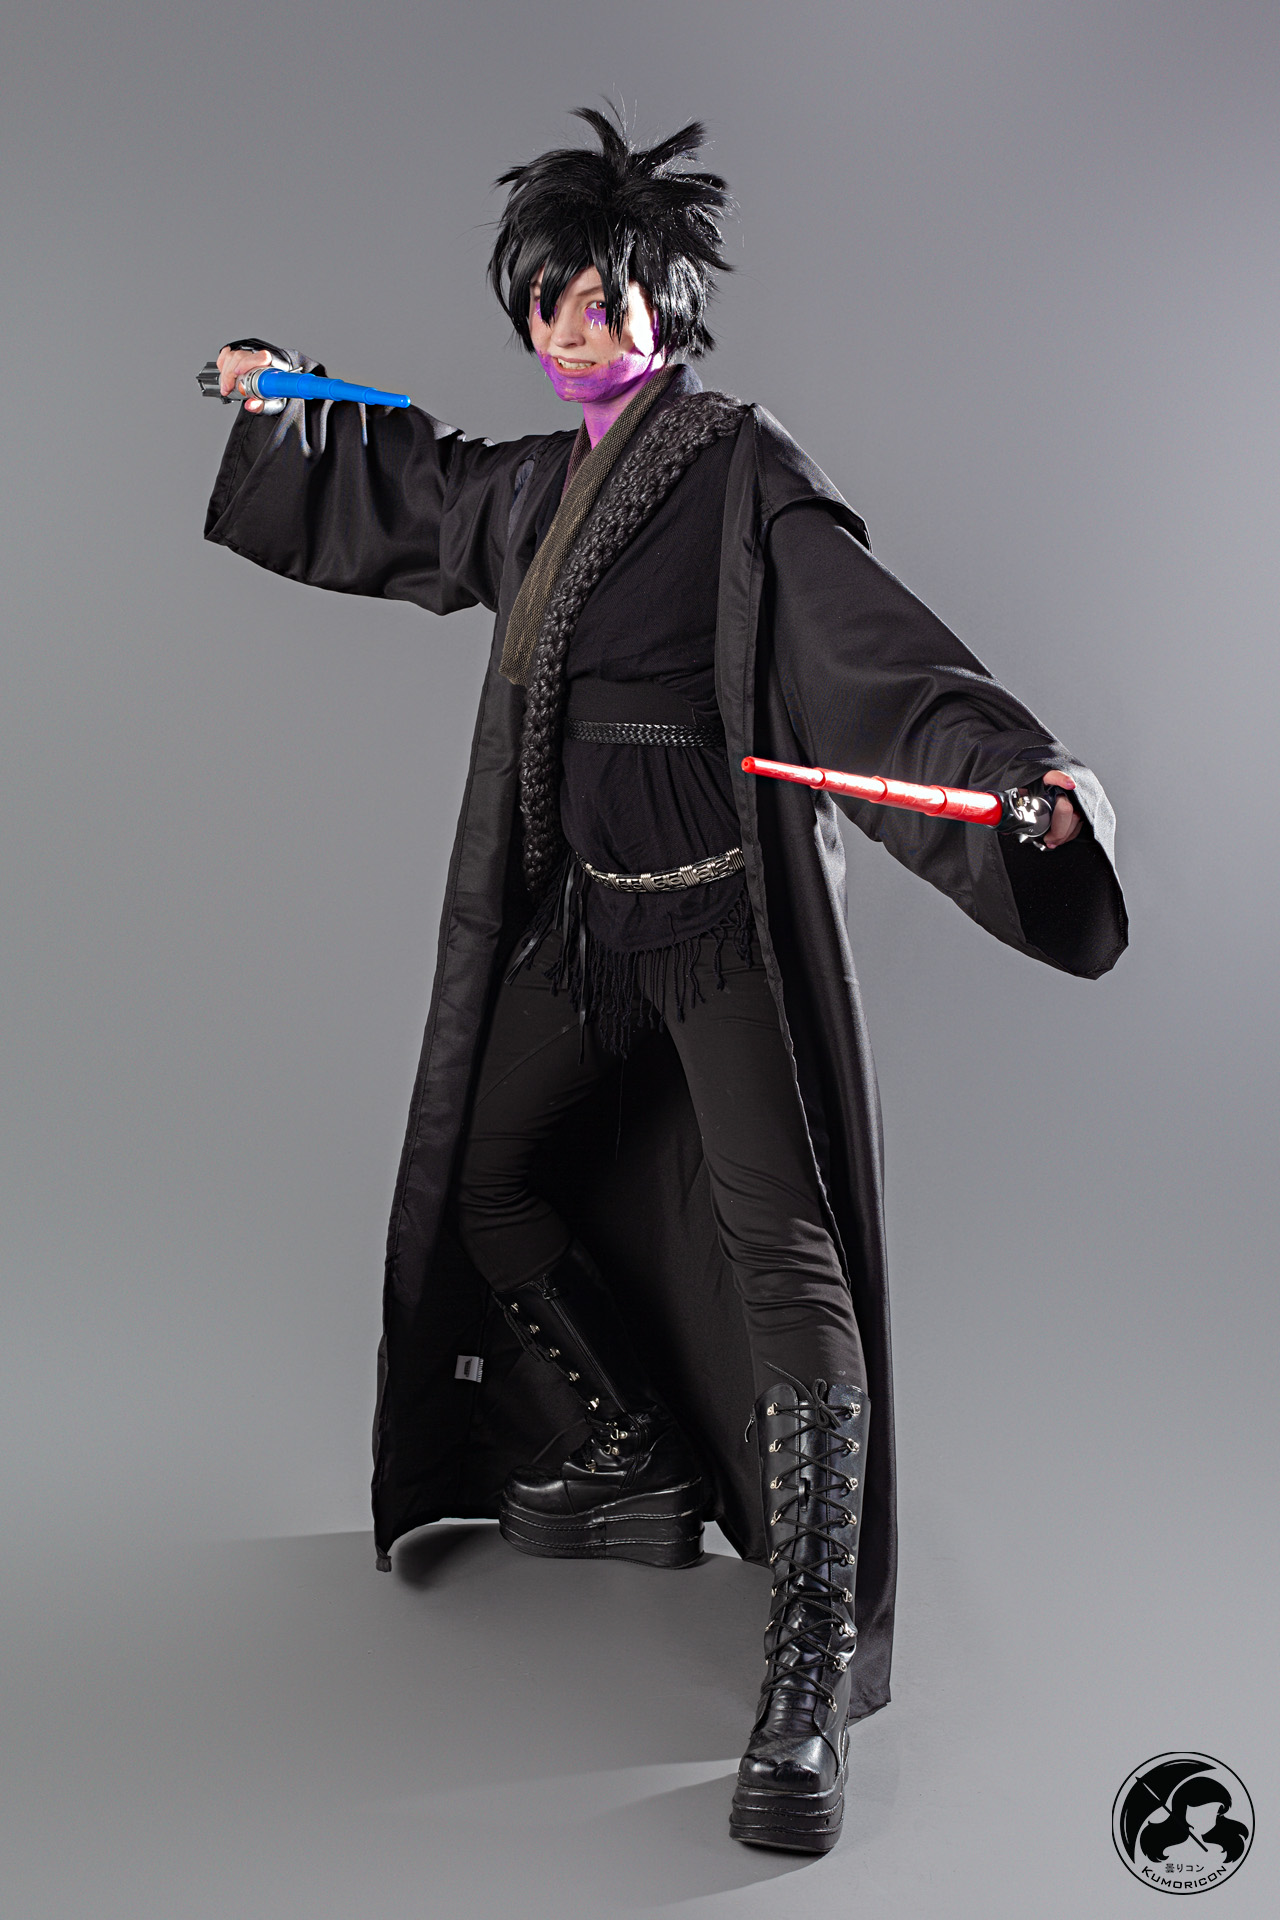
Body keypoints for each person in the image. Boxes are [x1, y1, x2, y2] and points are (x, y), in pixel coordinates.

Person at [203, 107, 1126, 1854]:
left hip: (714, 930)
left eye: (611, 293)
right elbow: (407, 479)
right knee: (485, 1177)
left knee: (787, 1254)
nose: (581, 322)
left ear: (670, 306)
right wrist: (282, 398)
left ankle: (811, 1659)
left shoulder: (739, 470)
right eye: (553, 295)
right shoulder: (529, 490)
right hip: (585, 926)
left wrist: (1018, 774)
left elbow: (875, 652)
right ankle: (631, 1451)